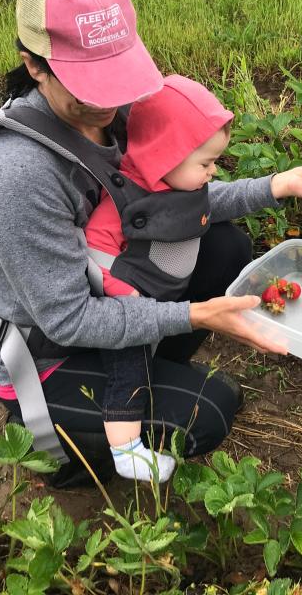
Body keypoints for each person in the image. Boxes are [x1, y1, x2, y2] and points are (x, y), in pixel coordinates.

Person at [0, 0, 302, 487]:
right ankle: (68, 450)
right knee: (208, 412)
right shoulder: (21, 171)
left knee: (227, 248)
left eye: (117, 75)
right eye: (89, 84)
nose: (110, 102)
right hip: (45, 351)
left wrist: (276, 187)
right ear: (35, 66)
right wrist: (194, 316)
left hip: (114, 283)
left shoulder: (117, 109)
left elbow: (177, 205)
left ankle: (143, 373)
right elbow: (69, 320)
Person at [84, 75, 235, 483]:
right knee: (128, 371)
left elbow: (210, 203)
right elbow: (94, 252)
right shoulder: (125, 202)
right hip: (128, 308)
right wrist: (125, 295)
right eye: (205, 163)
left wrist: (279, 186)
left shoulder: (176, 186)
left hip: (161, 297)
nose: (212, 170)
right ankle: (125, 449)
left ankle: (164, 370)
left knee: (229, 242)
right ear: (164, 157)